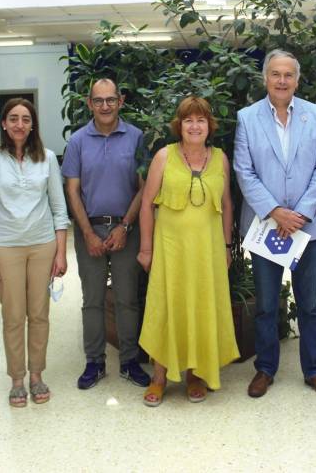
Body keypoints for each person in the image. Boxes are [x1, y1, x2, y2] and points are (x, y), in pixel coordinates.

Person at [234, 49, 316, 398]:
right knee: (265, 304)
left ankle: (313, 370)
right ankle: (265, 369)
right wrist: (276, 212)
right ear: (265, 78)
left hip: (306, 227)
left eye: (288, 75)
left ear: (297, 79)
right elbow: (244, 172)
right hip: (266, 228)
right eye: (275, 74)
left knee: (309, 304)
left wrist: (300, 214)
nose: (281, 81)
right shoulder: (247, 118)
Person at [136, 96, 240, 406]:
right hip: (171, 250)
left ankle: (196, 373)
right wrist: (145, 247)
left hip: (207, 251)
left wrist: (225, 247)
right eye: (189, 120)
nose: (195, 126)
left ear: (210, 126)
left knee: (200, 306)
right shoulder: (164, 157)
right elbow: (145, 203)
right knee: (166, 306)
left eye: (201, 120)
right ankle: (159, 376)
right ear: (179, 125)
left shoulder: (220, 158)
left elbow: (226, 205)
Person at [0, 98, 70, 407]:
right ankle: (17, 379)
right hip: (6, 248)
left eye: (25, 119)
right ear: (4, 123)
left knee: (39, 314)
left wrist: (61, 252)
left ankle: (37, 375)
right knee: (13, 315)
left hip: (43, 246)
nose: (19, 124)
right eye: (13, 118)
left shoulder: (48, 159)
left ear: (32, 125)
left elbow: (58, 207)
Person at [63, 78, 151, 389]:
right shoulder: (76, 142)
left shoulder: (137, 138)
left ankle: (129, 361)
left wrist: (126, 226)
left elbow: (144, 189)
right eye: (98, 100)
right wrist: (86, 233)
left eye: (110, 99)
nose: (104, 106)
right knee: (93, 300)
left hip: (127, 230)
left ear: (120, 101)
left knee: (128, 299)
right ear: (89, 103)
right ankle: (94, 362)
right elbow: (72, 191)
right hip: (90, 229)